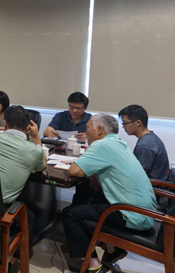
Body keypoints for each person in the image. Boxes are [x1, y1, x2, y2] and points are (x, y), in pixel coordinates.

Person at [61, 114, 157, 273]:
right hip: (146, 212)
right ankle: (113, 250)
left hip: (131, 215)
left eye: (88, 129)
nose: (86, 133)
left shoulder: (102, 145)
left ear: (99, 129)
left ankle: (93, 264)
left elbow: (75, 170)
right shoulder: (119, 143)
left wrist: (86, 166)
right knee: (89, 195)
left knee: (70, 214)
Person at [0, 105, 46, 231]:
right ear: (28, 127)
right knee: (29, 218)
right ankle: (10, 243)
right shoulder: (34, 150)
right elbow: (42, 166)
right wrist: (36, 137)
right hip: (0, 209)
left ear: (5, 123)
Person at [118, 105, 169, 181]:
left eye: (125, 123)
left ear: (138, 122)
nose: (123, 127)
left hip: (152, 187)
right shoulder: (151, 138)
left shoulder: (145, 145)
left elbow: (138, 176)